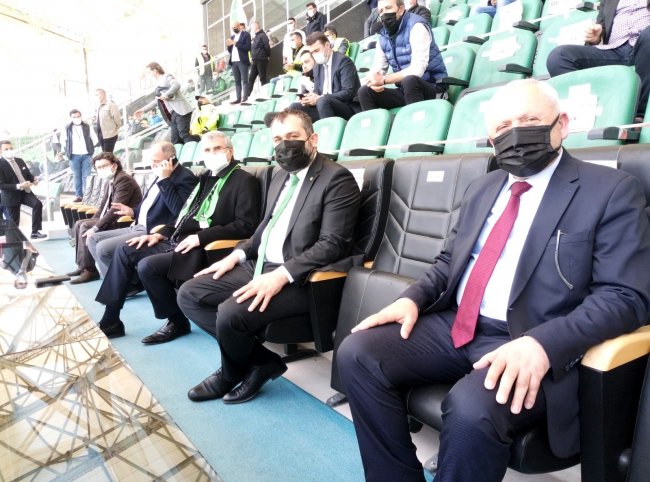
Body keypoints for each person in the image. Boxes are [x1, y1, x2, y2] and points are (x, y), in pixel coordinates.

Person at [336, 78, 650, 482]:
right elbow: (449, 261)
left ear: (562, 124)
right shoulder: (482, 187)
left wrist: (542, 343)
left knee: (471, 408)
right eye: (503, 127)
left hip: (533, 336)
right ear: (491, 139)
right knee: (356, 353)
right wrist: (412, 298)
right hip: (459, 325)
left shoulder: (610, 190)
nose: (515, 134)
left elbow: (625, 296)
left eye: (530, 120)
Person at [177, 109, 361, 404]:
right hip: (259, 264)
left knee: (230, 313)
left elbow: (333, 244)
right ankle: (261, 362)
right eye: (277, 139)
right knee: (190, 294)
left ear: (312, 139)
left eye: (292, 136)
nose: (284, 144)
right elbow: (264, 229)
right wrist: (236, 256)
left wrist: (281, 275)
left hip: (300, 277)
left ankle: (230, 374)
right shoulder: (279, 176)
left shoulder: (336, 178)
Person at [94, 131, 261, 340]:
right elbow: (186, 215)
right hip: (181, 239)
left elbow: (246, 225)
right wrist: (161, 233)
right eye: (207, 150)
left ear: (230, 151)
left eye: (217, 148)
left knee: (148, 266)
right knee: (125, 250)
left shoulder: (244, 180)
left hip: (207, 247)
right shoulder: (206, 178)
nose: (212, 153)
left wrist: (201, 238)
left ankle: (177, 321)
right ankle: (111, 319)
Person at [87, 141, 197, 278]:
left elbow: (180, 212)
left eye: (156, 161)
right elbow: (149, 206)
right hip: (137, 224)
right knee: (93, 239)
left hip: (153, 229)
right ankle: (117, 281)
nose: (152, 164)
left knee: (103, 248)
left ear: (171, 159)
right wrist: (132, 211)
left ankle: (125, 282)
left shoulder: (183, 177)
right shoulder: (159, 173)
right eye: (151, 160)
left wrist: (165, 180)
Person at [547, 0, 650, 116]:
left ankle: (640, 113)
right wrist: (598, 37)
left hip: (645, 46)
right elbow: (601, 26)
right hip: (614, 50)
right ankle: (591, 112)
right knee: (559, 56)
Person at [67, 153, 143, 284]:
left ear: (114, 165)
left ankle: (90, 270)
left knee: (86, 226)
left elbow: (115, 210)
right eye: (98, 168)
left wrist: (95, 227)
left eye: (104, 166)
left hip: (124, 221)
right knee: (81, 223)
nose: (101, 169)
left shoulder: (123, 179)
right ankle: (82, 266)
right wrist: (92, 221)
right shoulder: (111, 181)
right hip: (115, 219)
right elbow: (103, 207)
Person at [358, 0, 447, 111]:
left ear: (401, 9)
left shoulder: (417, 26)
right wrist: (372, 81)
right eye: (381, 11)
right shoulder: (383, 37)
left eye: (388, 8)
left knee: (410, 81)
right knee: (365, 92)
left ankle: (416, 121)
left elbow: (417, 70)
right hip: (407, 91)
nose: (384, 14)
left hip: (433, 87)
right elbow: (377, 69)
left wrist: (384, 80)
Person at [290, 32, 361, 122]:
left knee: (323, 101)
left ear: (327, 45)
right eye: (312, 53)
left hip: (346, 107)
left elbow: (348, 92)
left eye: (317, 50)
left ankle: (328, 130)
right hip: (324, 107)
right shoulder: (317, 67)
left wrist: (321, 98)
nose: (315, 55)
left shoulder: (343, 61)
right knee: (295, 107)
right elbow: (317, 92)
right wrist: (309, 99)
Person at [135, 62, 200, 145]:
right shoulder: (157, 84)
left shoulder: (167, 76)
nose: (149, 74)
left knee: (184, 134)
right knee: (175, 140)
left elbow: (176, 84)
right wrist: (143, 110)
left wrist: (167, 94)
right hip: (173, 113)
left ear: (155, 70)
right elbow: (157, 101)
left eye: (149, 72)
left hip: (181, 109)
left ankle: (199, 140)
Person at [0, 141, 46, 239]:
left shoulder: (20, 160)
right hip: (11, 196)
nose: (9, 151)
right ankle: (12, 241)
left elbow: (28, 175)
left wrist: (34, 179)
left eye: (11, 148)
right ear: (1, 151)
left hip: (25, 192)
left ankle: (35, 232)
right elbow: (1, 185)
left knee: (37, 204)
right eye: (6, 149)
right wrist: (19, 186)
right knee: (14, 222)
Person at [59, 109, 98, 202]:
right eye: (74, 117)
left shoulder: (87, 126)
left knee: (86, 176)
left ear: (81, 116)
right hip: (73, 156)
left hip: (86, 155)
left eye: (78, 116)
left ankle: (87, 196)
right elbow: (62, 140)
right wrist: (68, 150)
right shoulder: (67, 128)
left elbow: (95, 139)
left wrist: (90, 148)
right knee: (77, 176)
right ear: (71, 118)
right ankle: (79, 196)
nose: (76, 118)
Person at [244, 21, 271, 101]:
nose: (251, 29)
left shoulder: (263, 35)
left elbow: (267, 46)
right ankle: (246, 96)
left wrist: (267, 56)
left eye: (252, 27)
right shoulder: (255, 37)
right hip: (255, 60)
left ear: (256, 27)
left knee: (262, 78)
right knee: (251, 78)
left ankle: (265, 94)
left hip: (261, 59)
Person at [227, 22, 252, 104]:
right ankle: (238, 98)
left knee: (244, 79)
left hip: (242, 60)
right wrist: (228, 46)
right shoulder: (232, 36)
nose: (234, 29)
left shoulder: (246, 35)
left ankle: (245, 97)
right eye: (232, 28)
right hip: (234, 61)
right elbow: (230, 51)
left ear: (239, 26)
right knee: (237, 81)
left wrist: (236, 43)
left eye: (235, 27)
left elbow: (248, 47)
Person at [95, 88, 122, 153]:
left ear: (103, 94)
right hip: (101, 135)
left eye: (97, 94)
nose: (96, 97)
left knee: (107, 156)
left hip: (110, 135)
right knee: (105, 154)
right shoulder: (98, 107)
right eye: (95, 95)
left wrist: (114, 130)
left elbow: (117, 119)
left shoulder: (111, 105)